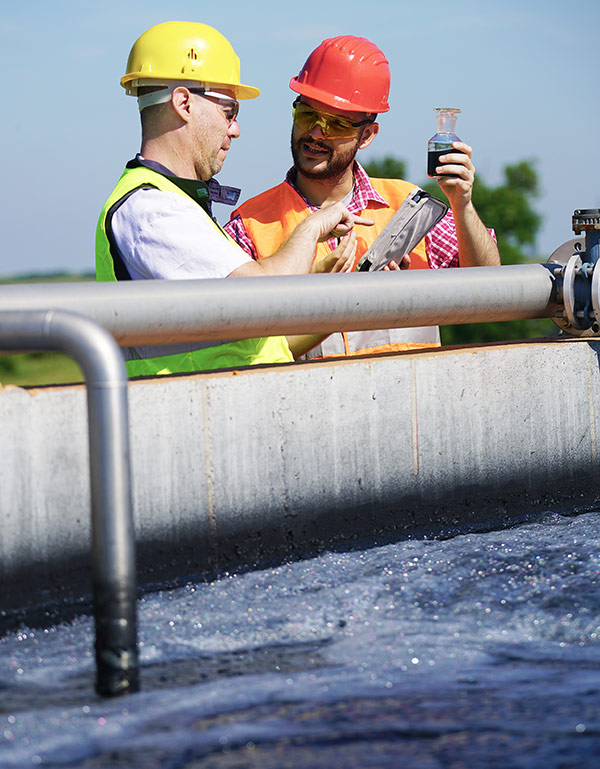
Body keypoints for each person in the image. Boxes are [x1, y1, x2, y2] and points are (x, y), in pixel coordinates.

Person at [95, 22, 368, 377]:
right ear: (183, 103)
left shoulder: (174, 204)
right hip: (194, 418)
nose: (235, 129)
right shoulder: (152, 211)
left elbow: (261, 343)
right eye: (229, 112)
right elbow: (262, 295)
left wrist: (334, 294)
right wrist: (311, 228)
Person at [225, 35, 501, 359]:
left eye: (337, 124)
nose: (316, 133)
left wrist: (462, 204)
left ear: (366, 135)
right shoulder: (248, 226)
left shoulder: (409, 205)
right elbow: (234, 343)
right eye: (307, 115)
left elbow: (491, 291)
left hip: (410, 404)